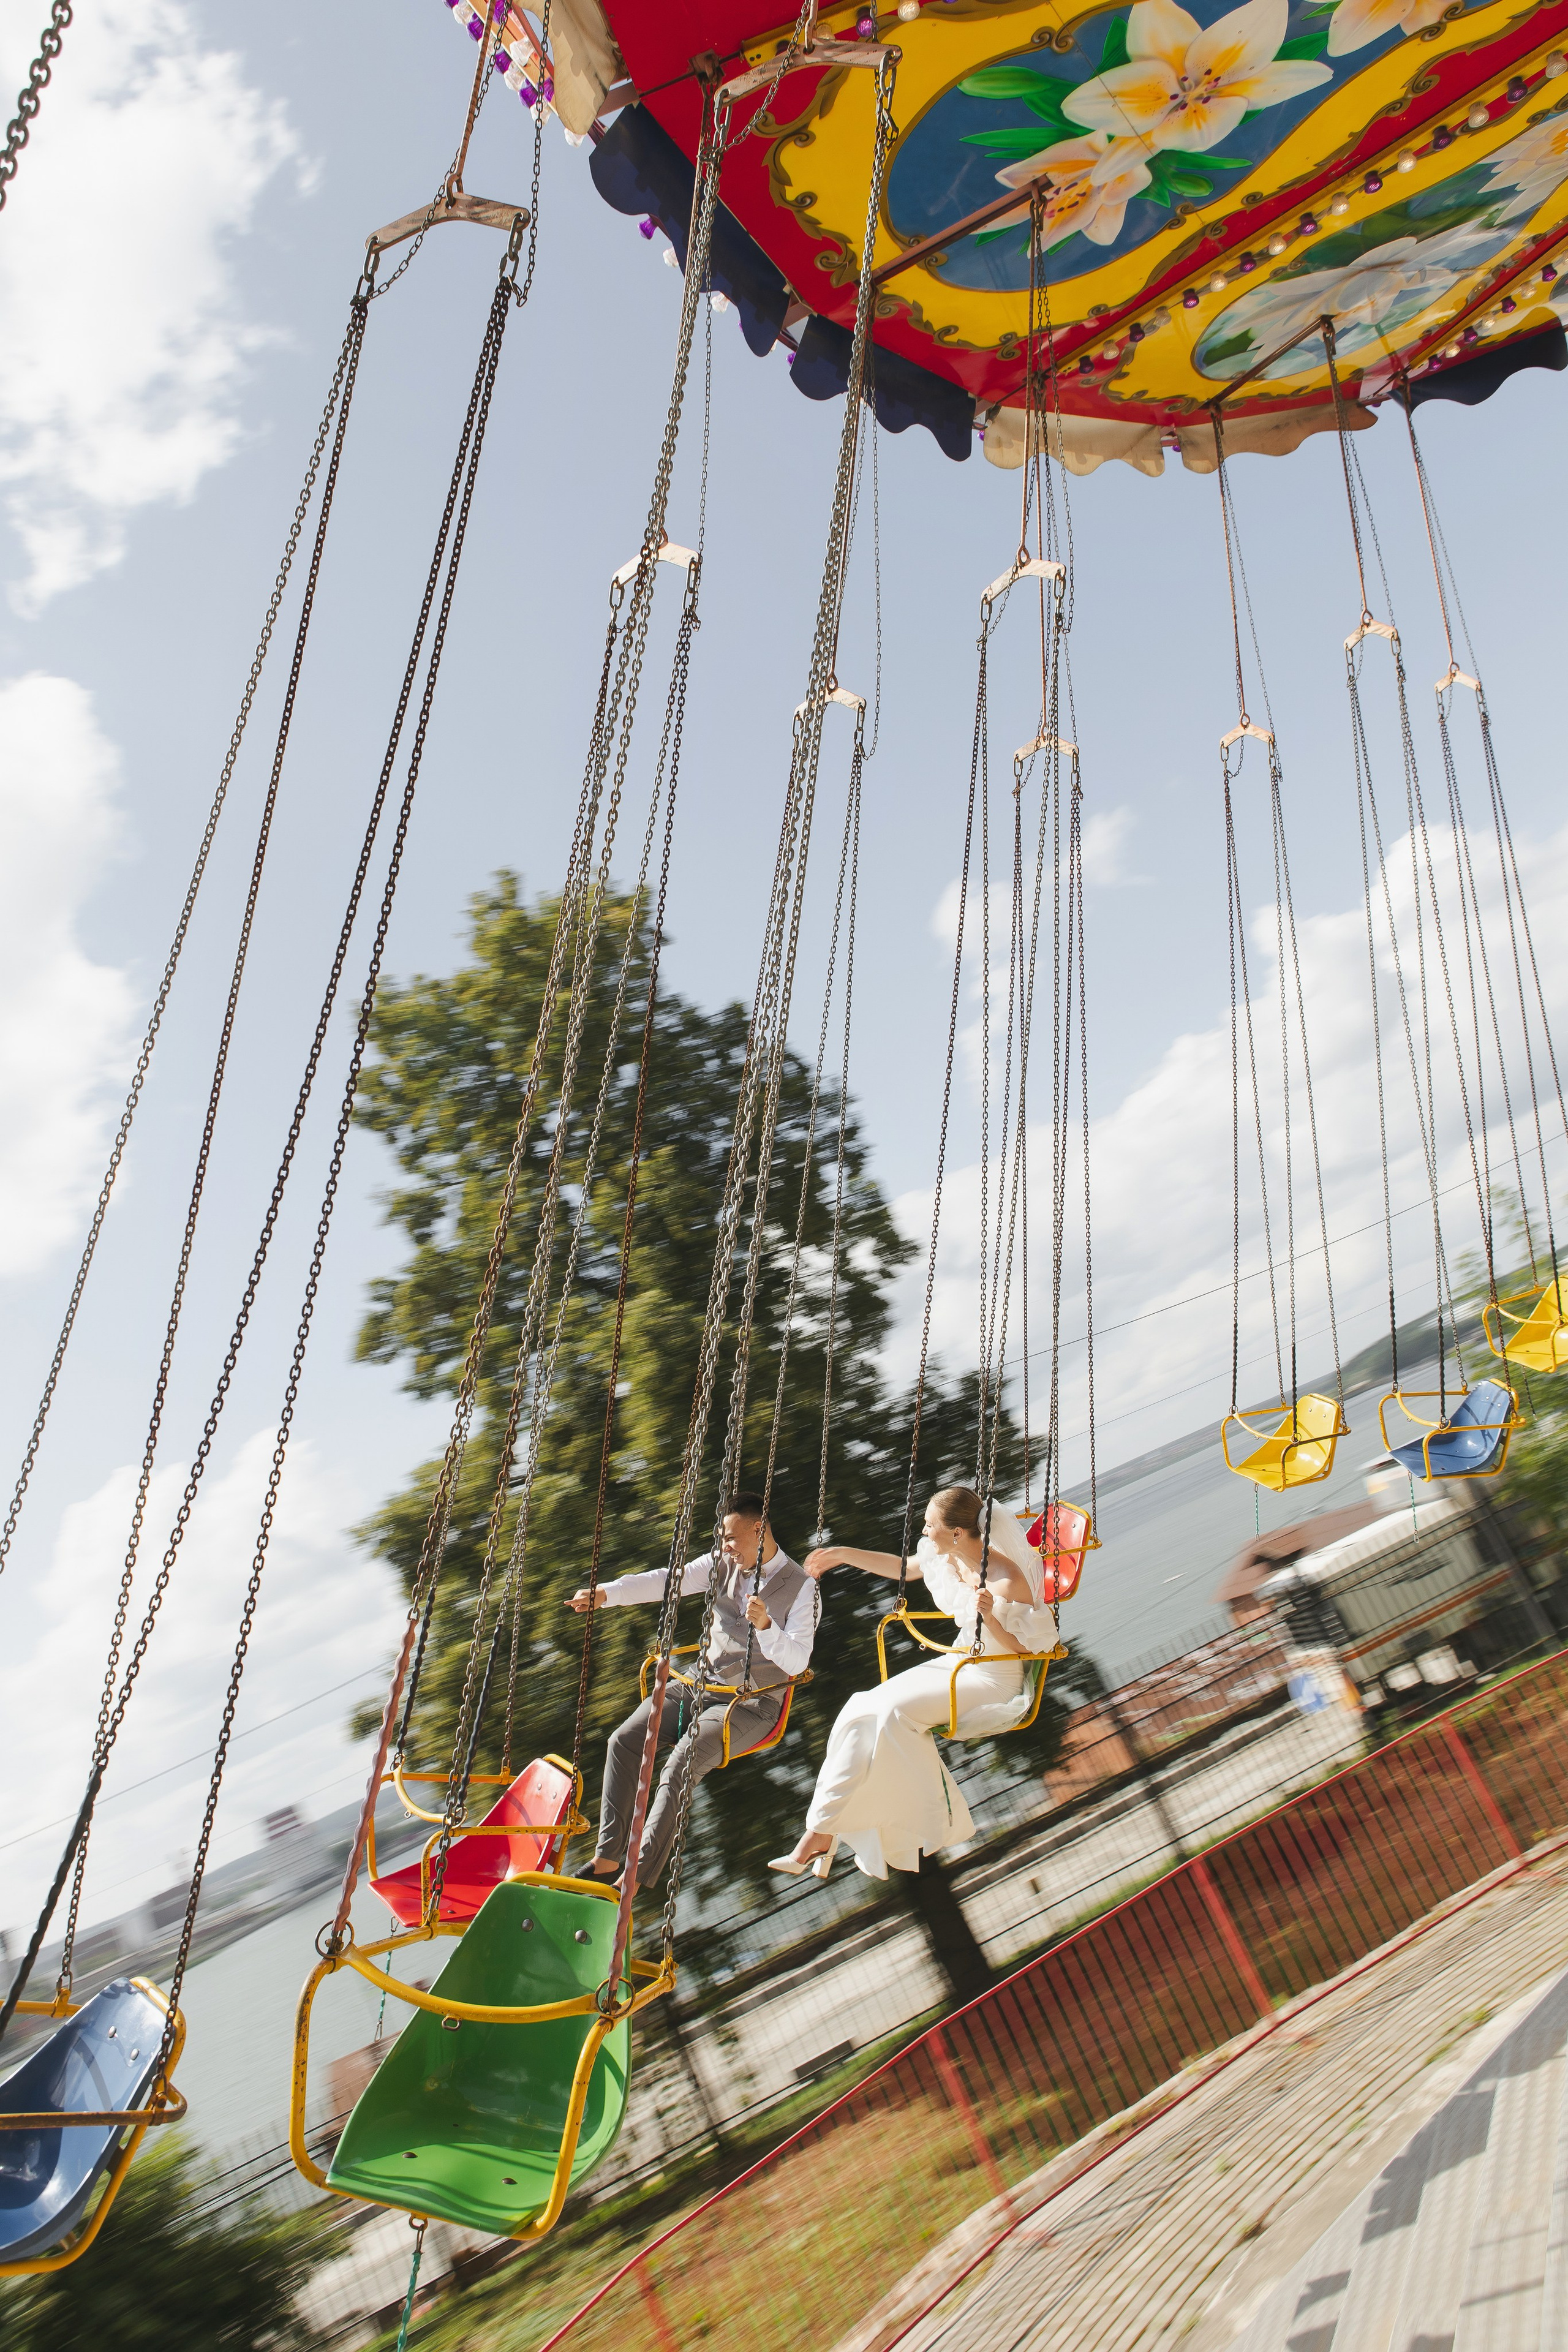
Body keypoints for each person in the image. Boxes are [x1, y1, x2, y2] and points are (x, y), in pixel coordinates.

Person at [769, 1485, 1056, 1882]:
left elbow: (1029, 1652)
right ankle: (820, 1832)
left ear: (956, 1532)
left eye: (929, 1525)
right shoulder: (951, 1558)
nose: (924, 1533)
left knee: (892, 1714)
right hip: (961, 1663)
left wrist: (989, 1617)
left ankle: (913, 1820)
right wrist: (841, 1555)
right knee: (861, 1704)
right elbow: (902, 1566)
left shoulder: (1008, 1578)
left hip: (994, 1677)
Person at [566, 1491, 816, 1889]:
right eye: (721, 1539)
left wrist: (768, 1628)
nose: (725, 1547)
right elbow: (669, 1580)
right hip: (699, 1686)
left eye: (731, 1538)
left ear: (759, 1530)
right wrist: (606, 1595)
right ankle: (607, 1858)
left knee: (682, 1762)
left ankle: (634, 1879)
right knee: (625, 1740)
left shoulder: (801, 1588)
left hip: (752, 1706)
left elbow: (799, 1661)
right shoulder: (721, 1564)